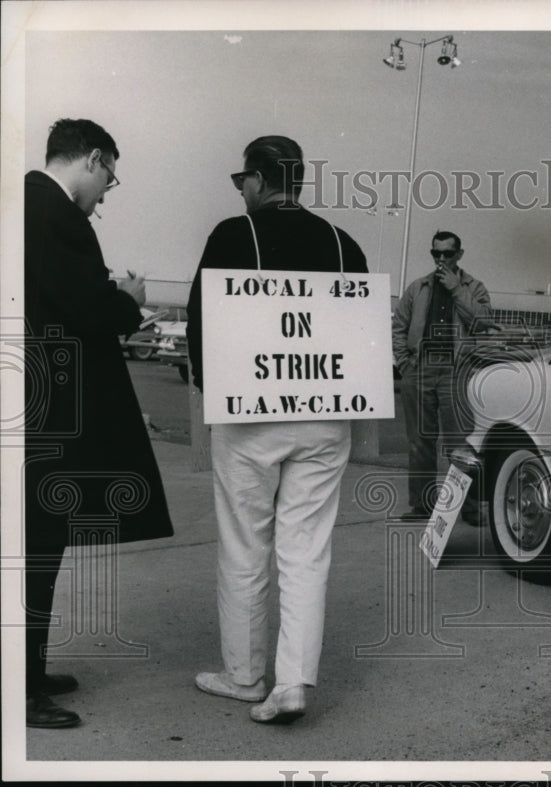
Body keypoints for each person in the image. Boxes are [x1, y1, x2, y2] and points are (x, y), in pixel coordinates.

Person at [187, 135, 367, 724]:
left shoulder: (234, 235)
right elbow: (360, 334)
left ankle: (243, 677)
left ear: (260, 180)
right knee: (306, 551)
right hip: (326, 417)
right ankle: (292, 682)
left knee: (246, 546)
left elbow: (200, 326)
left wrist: (214, 391)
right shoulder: (346, 244)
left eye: (243, 181)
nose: (241, 192)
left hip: (250, 416)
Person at [23, 119, 174, 729]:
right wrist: (130, 297)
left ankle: (27, 670)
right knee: (35, 550)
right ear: (92, 158)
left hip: (33, 409)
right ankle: (21, 687)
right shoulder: (54, 215)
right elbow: (87, 307)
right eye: (110, 174)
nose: (109, 189)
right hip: (47, 419)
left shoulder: (29, 206)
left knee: (36, 547)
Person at [391, 231, 492, 520]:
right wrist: (404, 364)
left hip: (456, 370)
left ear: (460, 254)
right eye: (437, 254)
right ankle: (422, 505)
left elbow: (483, 322)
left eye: (448, 254)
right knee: (420, 441)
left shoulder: (474, 288)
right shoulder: (418, 287)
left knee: (461, 443)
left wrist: (456, 289)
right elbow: (399, 326)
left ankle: (470, 508)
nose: (442, 259)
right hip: (420, 369)